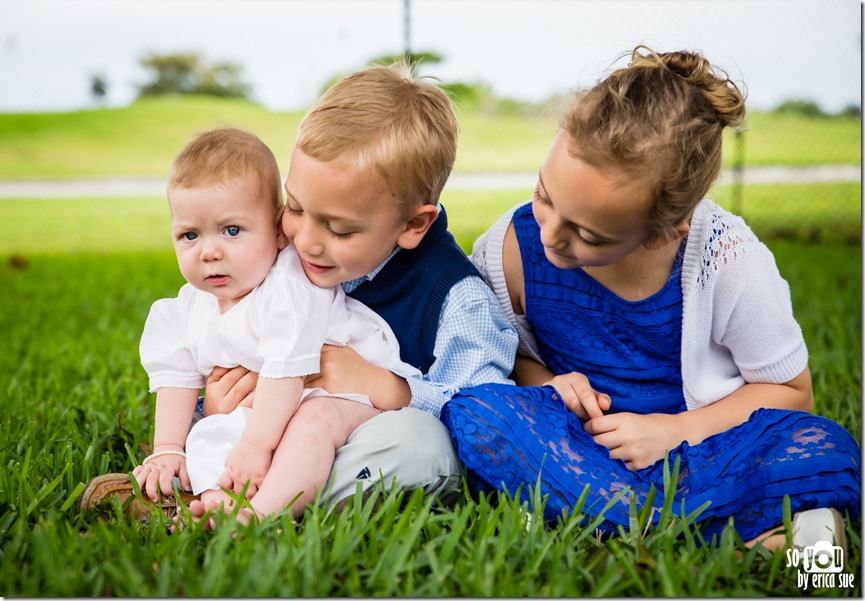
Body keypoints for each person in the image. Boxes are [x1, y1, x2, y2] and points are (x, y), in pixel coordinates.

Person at [440, 46, 861, 549]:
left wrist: (674, 431)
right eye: (545, 197)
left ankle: (601, 520)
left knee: (824, 447)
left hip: (703, 449)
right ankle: (732, 532)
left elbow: (791, 394)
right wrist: (553, 384)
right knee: (479, 411)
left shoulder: (726, 260)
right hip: (579, 447)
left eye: (589, 235)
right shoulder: (510, 248)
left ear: (664, 233)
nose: (551, 234)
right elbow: (502, 357)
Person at [78, 60, 518, 520]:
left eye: (340, 229)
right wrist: (216, 402)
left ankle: (244, 508)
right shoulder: (285, 261)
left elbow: (487, 419)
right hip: (277, 431)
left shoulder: (454, 297)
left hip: (379, 437)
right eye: (296, 207)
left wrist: (388, 388)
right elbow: (229, 338)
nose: (305, 239)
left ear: (412, 223)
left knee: (416, 446)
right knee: (261, 419)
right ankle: (216, 485)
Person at [133, 126, 427, 525]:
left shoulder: (289, 288)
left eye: (232, 230)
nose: (209, 251)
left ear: (276, 229)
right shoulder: (187, 306)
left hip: (346, 396)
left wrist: (256, 443)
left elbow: (288, 370)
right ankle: (216, 499)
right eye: (189, 235)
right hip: (273, 403)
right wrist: (168, 446)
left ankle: (263, 515)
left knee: (311, 423)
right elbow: (177, 376)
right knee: (218, 431)